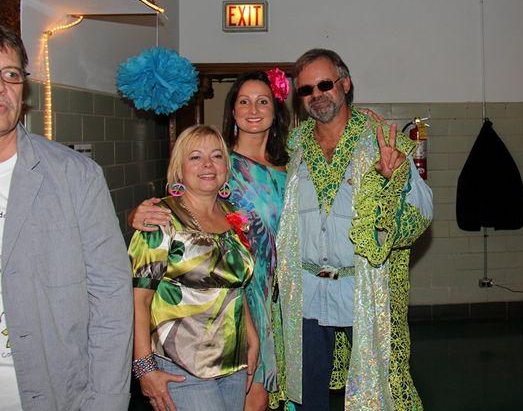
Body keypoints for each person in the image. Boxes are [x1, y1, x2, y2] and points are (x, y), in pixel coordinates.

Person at [277, 48, 433, 410]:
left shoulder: (382, 141)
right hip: (305, 292)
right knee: (305, 393)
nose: (317, 95)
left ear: (345, 84)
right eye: (306, 90)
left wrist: (396, 182)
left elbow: (422, 212)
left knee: (375, 392)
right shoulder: (294, 146)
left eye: (325, 84)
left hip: (363, 291)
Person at [130, 70, 292, 411]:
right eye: (244, 101)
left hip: (265, 308)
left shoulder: (287, 169)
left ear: (276, 109)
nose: (253, 109)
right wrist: (138, 213)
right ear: (232, 110)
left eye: (263, 101)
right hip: (192, 342)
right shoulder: (213, 170)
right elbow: (142, 288)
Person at [0, 25, 133, 410]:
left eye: (11, 74)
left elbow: (111, 297)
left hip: (53, 395)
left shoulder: (74, 176)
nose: (1, 88)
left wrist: (106, 402)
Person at [129, 125, 258, 411]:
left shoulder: (233, 217)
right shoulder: (160, 219)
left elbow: (235, 286)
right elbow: (139, 300)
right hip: (180, 365)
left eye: (216, 156)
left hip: (233, 361)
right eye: (195, 157)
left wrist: (251, 337)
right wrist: (144, 368)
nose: (208, 165)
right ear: (179, 168)